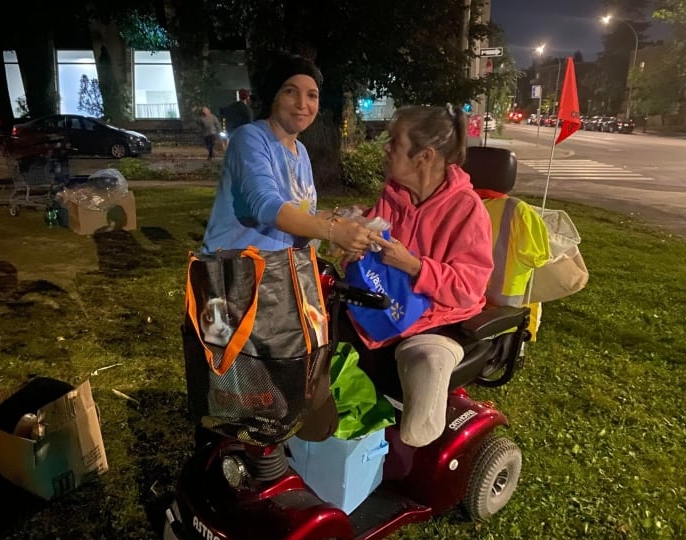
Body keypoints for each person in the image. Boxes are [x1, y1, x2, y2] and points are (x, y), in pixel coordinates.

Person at [200, 52, 375, 441]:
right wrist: (332, 231)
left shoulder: (301, 153)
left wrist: (339, 224)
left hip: (280, 280)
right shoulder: (252, 138)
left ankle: (273, 448)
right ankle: (229, 459)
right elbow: (266, 206)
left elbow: (300, 216)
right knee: (236, 383)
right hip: (235, 280)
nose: (303, 104)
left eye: (312, 95)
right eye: (291, 92)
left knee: (280, 379)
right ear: (272, 97)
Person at [341, 104, 495, 448]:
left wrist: (414, 266)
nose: (386, 147)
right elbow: (370, 258)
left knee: (426, 361)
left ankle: (424, 406)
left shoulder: (467, 209)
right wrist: (354, 252)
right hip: (381, 308)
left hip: (438, 321)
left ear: (423, 156)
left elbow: (469, 288)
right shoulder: (392, 196)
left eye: (395, 141)